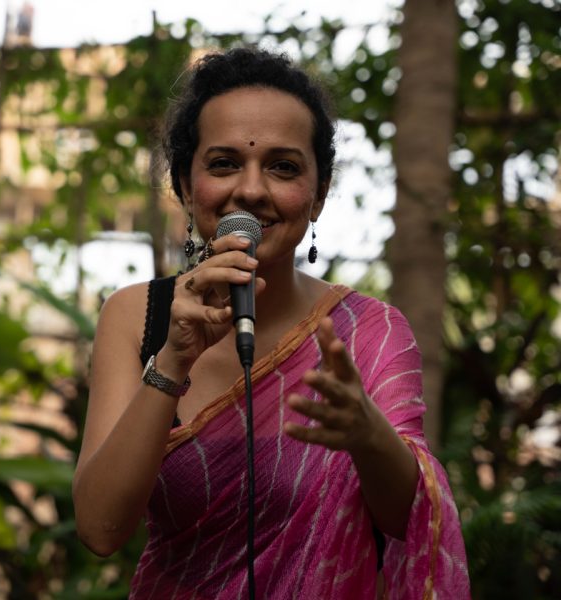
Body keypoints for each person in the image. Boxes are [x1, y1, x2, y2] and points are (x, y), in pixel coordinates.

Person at [73, 47, 469, 599]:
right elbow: (100, 529)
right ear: (185, 185)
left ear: (319, 194)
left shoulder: (370, 332)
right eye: (223, 163)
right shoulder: (137, 316)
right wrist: (173, 360)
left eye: (283, 167)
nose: (252, 190)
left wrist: (366, 434)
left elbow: (410, 521)